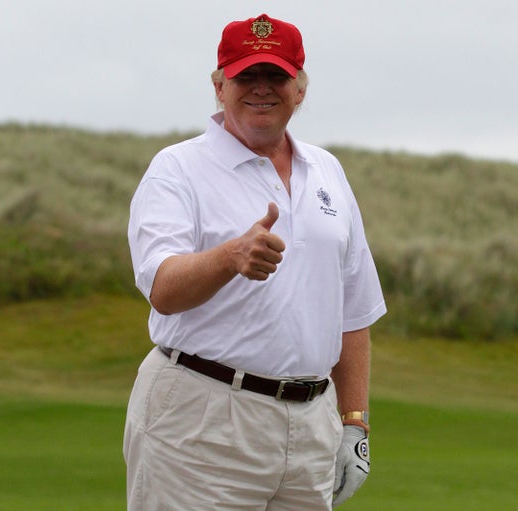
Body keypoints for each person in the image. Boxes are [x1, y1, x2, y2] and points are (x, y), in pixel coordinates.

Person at [124, 13, 386, 511]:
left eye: (276, 77)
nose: (261, 89)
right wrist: (230, 257)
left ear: (300, 90)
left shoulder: (327, 170)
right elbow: (163, 287)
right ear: (219, 87)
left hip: (311, 424)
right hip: (200, 419)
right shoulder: (177, 169)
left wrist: (354, 420)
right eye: (246, 76)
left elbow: (353, 309)